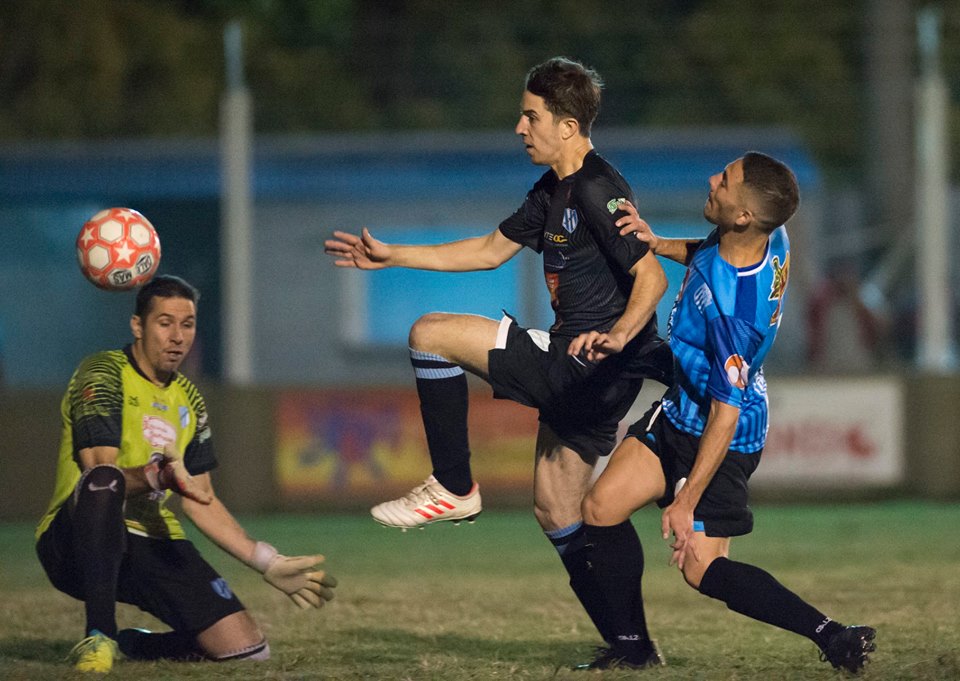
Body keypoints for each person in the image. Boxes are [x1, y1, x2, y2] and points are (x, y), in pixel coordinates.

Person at [324, 56, 671, 664]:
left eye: (530, 115)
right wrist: (394, 255)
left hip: (586, 362)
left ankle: (454, 486)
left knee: (430, 332)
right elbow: (489, 252)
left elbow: (652, 278)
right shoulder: (551, 190)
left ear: (567, 126)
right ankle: (632, 645)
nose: (519, 127)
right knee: (558, 509)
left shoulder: (597, 186)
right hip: (595, 374)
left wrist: (615, 335)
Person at [573, 152, 876, 672]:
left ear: (743, 218)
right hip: (679, 412)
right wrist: (655, 242)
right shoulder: (766, 237)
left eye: (727, 180)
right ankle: (632, 647)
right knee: (600, 508)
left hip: (724, 437)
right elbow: (708, 253)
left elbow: (725, 415)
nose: (713, 178)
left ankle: (831, 634)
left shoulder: (738, 312)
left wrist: (686, 499)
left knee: (702, 571)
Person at [35, 275, 337, 673]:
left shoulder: (189, 398)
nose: (177, 336)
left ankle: (137, 645)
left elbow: (201, 497)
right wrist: (159, 476)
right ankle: (99, 636)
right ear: (138, 326)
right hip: (76, 538)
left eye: (187, 324)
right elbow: (98, 471)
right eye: (164, 323)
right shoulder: (103, 372)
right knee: (103, 482)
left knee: (247, 652)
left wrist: (265, 560)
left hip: (149, 540)